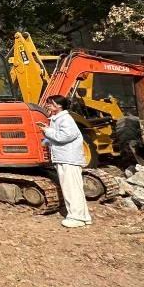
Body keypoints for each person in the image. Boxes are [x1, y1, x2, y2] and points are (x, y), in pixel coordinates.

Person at [38, 94, 91, 228]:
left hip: (68, 159)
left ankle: (76, 217)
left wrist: (47, 131)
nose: (48, 105)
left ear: (59, 105)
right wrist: (46, 138)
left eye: (51, 103)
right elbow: (59, 136)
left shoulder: (65, 119)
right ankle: (83, 217)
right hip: (65, 158)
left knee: (71, 189)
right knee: (73, 188)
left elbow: (65, 136)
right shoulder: (58, 119)